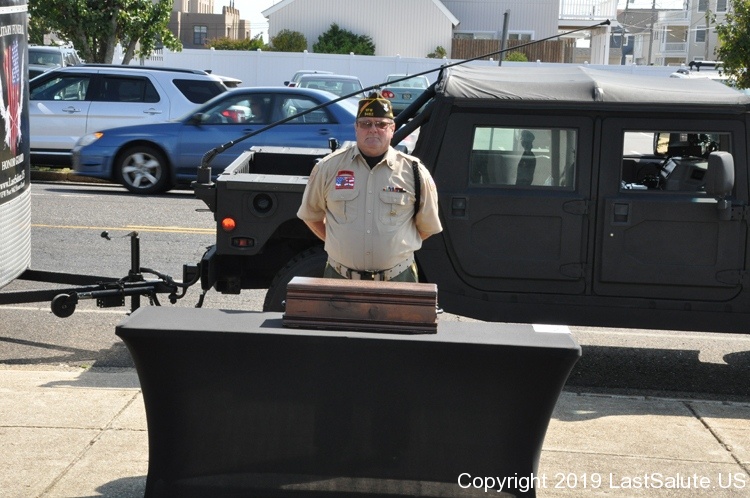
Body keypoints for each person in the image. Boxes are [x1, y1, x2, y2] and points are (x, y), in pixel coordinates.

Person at [297, 92, 442, 282]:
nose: (373, 129)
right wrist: (339, 244)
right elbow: (311, 215)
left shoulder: (414, 171)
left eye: (381, 124)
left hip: (398, 277)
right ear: (356, 128)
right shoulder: (328, 168)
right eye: (366, 124)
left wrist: (397, 247)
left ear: (392, 128)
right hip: (340, 277)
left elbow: (427, 226)